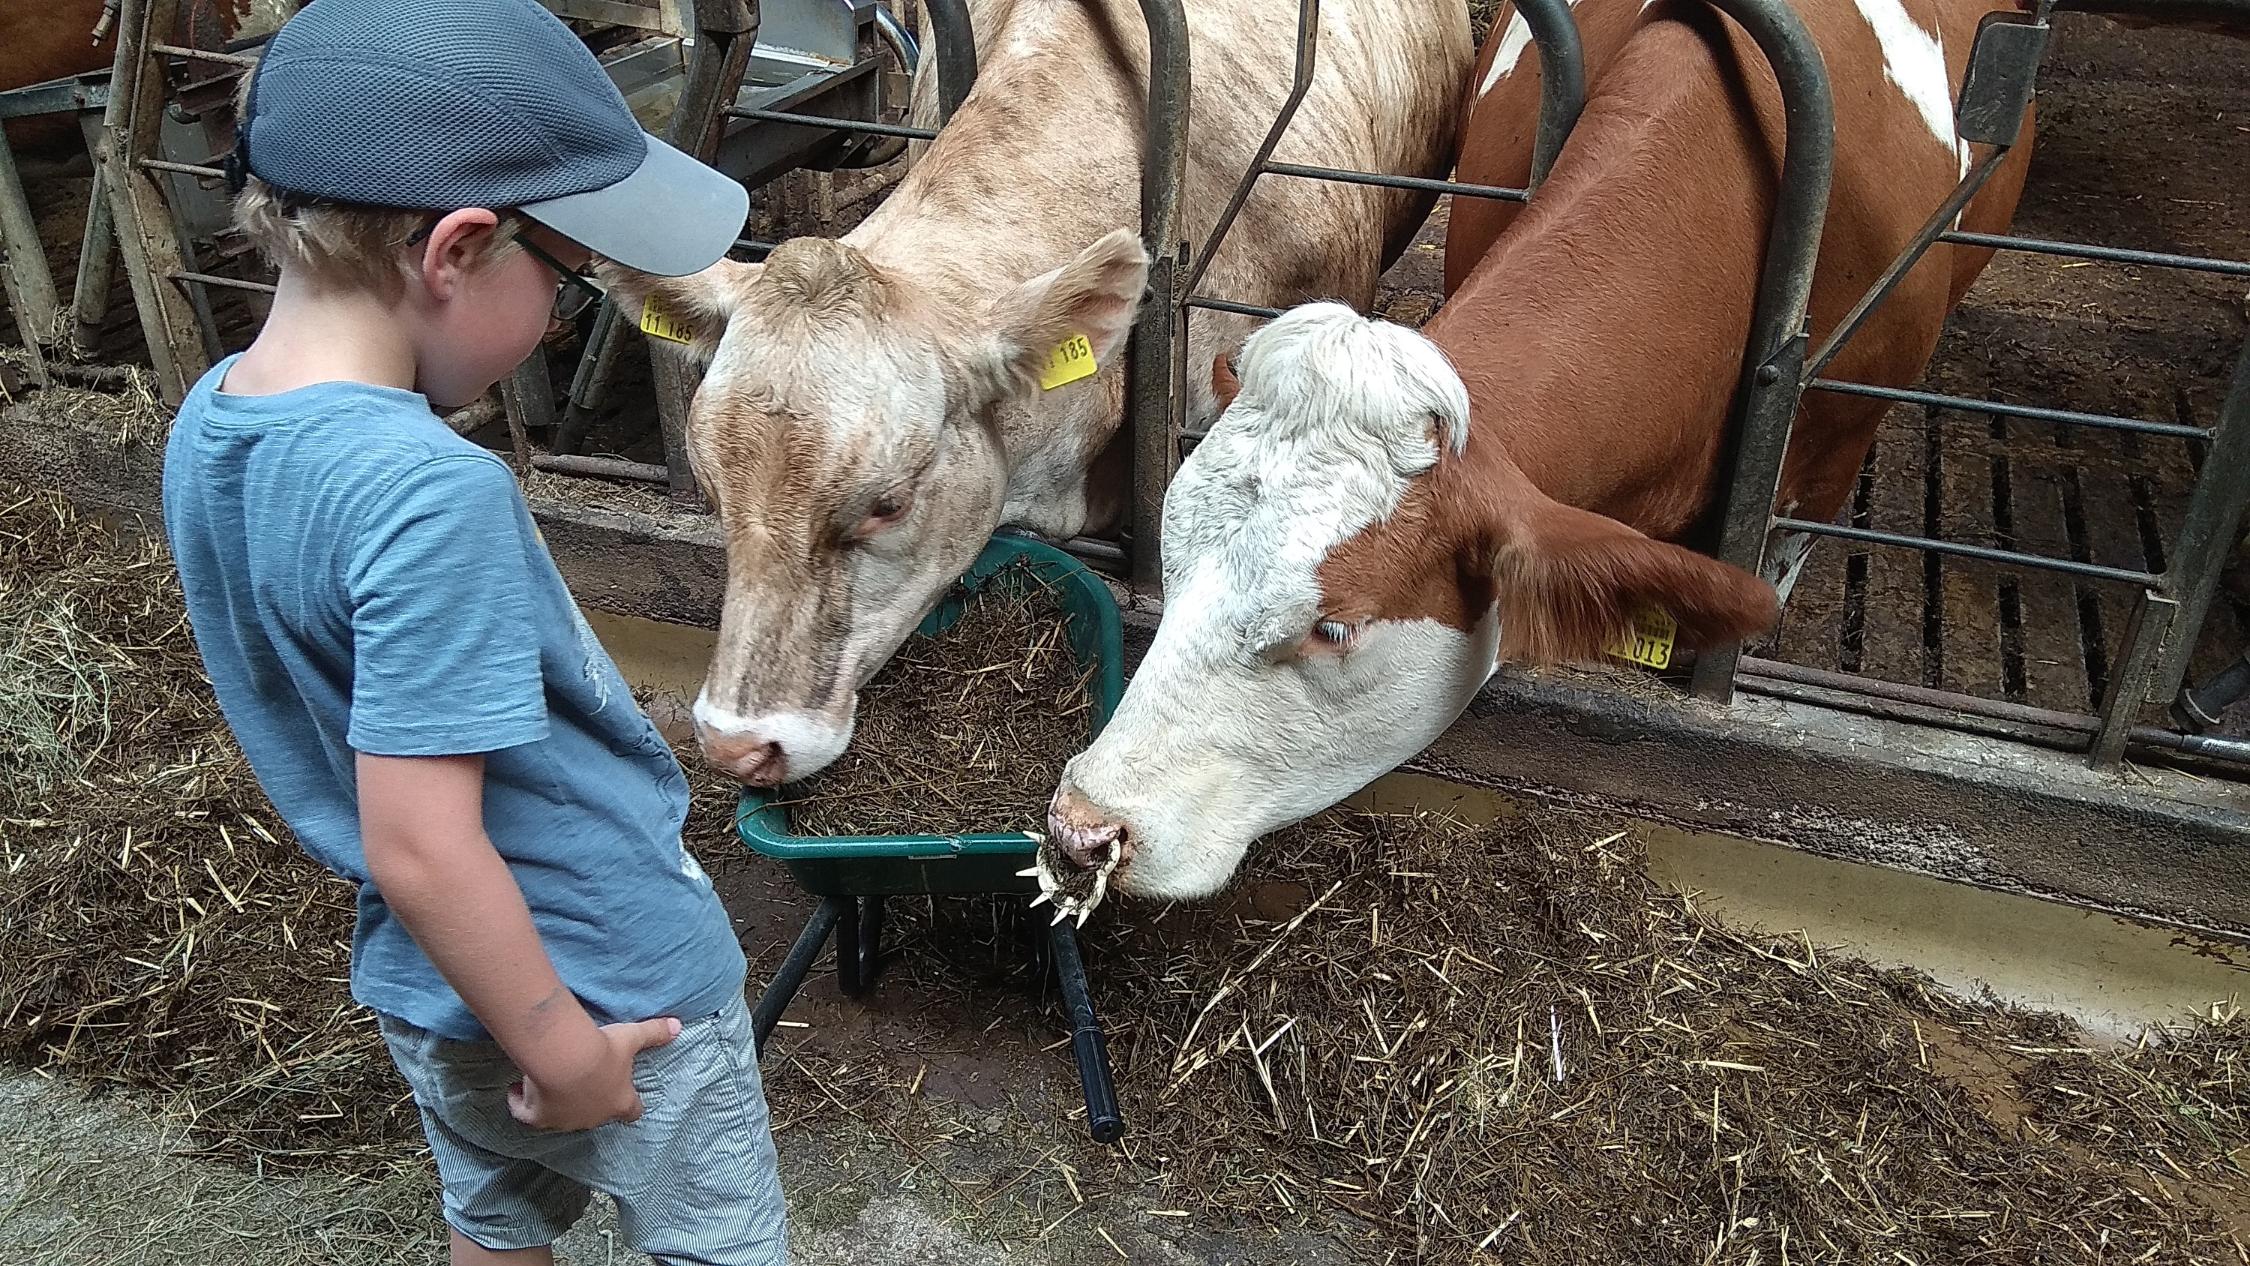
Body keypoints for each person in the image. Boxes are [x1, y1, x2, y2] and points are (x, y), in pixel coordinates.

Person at [159, 1, 785, 1261]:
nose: (561, 319)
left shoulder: (212, 422)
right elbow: (426, 847)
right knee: (721, 1244)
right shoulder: (429, 492)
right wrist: (564, 1054)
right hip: (607, 985)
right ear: (458, 248)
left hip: (432, 993)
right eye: (565, 280)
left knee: (492, 1220)